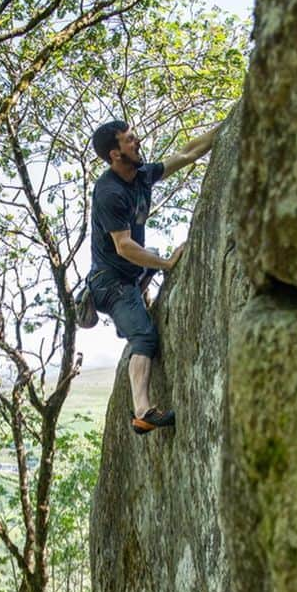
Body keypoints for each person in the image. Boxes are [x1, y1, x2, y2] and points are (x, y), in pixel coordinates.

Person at [88, 119, 221, 434]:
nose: (136, 142)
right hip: (110, 283)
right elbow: (124, 247)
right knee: (145, 336)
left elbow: (186, 153)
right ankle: (142, 413)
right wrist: (166, 264)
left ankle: (138, 308)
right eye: (129, 140)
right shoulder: (109, 192)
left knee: (149, 258)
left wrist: (225, 127)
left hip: (131, 275)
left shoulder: (141, 176)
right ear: (115, 153)